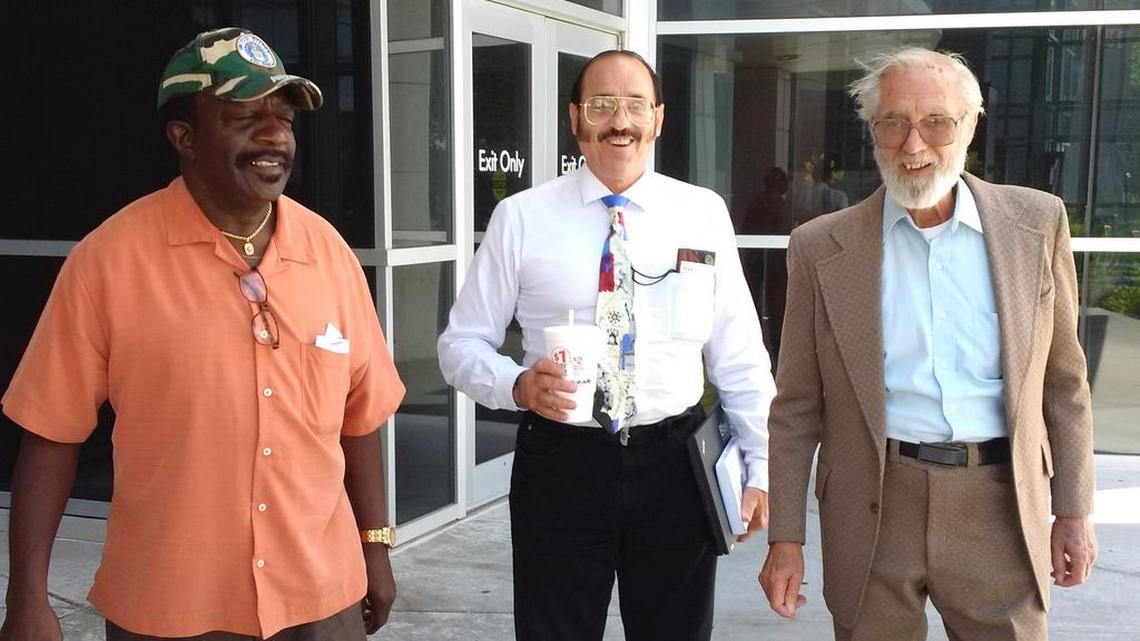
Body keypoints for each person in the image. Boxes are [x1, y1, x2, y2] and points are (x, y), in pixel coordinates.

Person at [0, 27, 405, 641]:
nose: (274, 135)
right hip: (169, 607)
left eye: (285, 117)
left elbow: (359, 416)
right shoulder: (108, 261)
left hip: (322, 600)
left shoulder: (330, 254)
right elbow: (50, 435)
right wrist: (27, 596)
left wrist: (375, 545)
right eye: (246, 116)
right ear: (184, 137)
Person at [759, 47, 1097, 640]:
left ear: (970, 125)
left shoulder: (1036, 224)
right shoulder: (820, 247)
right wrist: (786, 537)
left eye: (936, 122)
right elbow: (796, 407)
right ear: (873, 132)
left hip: (999, 504)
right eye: (893, 124)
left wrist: (1074, 509)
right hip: (873, 504)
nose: (913, 146)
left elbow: (1064, 384)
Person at [438, 50, 776, 641]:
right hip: (561, 462)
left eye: (635, 105)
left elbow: (741, 354)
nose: (620, 120)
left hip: (677, 462)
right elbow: (460, 343)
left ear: (659, 118)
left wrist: (761, 466)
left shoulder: (702, 213)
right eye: (601, 105)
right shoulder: (521, 218)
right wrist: (515, 384)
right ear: (575, 119)